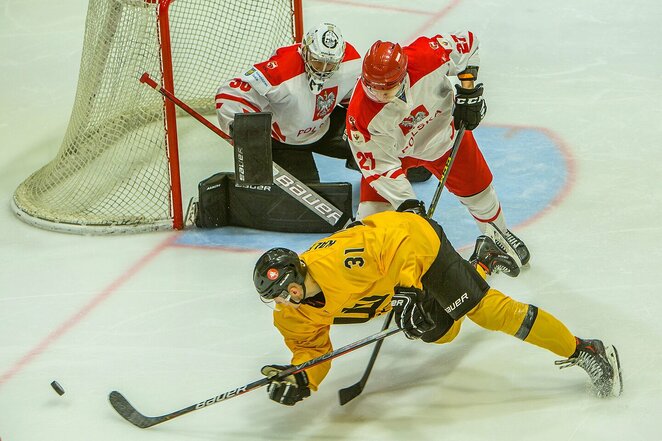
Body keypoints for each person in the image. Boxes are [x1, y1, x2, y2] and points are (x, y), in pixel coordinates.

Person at [252, 206, 622, 406]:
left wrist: (407, 291)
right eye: (279, 298)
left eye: (289, 290)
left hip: (419, 245)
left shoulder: (341, 262)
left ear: (301, 271)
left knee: (489, 311)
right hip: (392, 285)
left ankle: (584, 349)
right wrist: (302, 376)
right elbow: (310, 349)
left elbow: (399, 242)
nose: (287, 301)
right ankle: (482, 262)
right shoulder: (291, 313)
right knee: (440, 332)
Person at [345, 33, 530, 265]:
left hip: (444, 136)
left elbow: (468, 44)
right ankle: (371, 262)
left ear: (403, 77)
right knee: (373, 216)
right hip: (396, 155)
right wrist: (409, 206)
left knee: (481, 194)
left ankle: (499, 235)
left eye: (387, 88)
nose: (379, 94)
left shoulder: (426, 55)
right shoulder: (360, 115)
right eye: (372, 87)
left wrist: (468, 92)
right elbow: (380, 168)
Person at [214, 22, 361, 184]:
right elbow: (228, 93)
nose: (324, 70)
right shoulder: (282, 70)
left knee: (375, 146)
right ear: (305, 51)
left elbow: (355, 96)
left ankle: (375, 193)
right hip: (286, 142)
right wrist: (245, 135)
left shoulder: (351, 61)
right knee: (310, 202)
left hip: (325, 126)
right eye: (318, 62)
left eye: (331, 64)